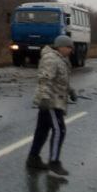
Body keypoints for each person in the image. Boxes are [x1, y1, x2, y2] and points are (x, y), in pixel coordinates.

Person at [26, 34, 78, 176]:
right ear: (61, 46)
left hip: (55, 99)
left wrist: (71, 91)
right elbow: (45, 79)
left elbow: (61, 80)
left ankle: (33, 158)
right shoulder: (51, 59)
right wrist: (44, 98)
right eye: (69, 47)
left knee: (42, 130)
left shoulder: (62, 60)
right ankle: (54, 162)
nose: (70, 51)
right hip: (51, 102)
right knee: (59, 130)